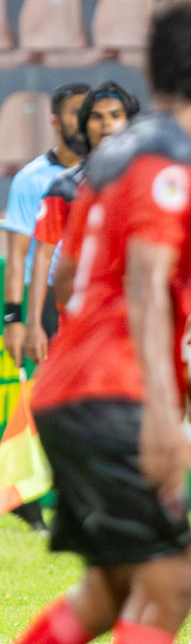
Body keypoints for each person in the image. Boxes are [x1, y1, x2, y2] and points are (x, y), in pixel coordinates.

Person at [0, 0, 191, 644]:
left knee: (108, 592)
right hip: (110, 391)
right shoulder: (170, 162)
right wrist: (165, 416)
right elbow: (140, 279)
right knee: (172, 579)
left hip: (67, 383)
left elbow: (68, 281)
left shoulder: (106, 158)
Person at [2, 82, 89, 530]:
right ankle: (27, 495)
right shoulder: (32, 179)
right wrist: (16, 317)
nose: (85, 122)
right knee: (46, 400)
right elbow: (18, 255)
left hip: (94, 305)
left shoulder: (106, 174)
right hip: (51, 307)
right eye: (76, 113)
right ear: (56, 121)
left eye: (91, 113)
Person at [25, 81, 141, 363]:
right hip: (78, 328)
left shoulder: (146, 185)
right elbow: (43, 256)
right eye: (97, 117)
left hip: (134, 325)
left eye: (115, 116)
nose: (107, 124)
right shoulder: (64, 188)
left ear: (128, 123)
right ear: (84, 126)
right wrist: (32, 324)